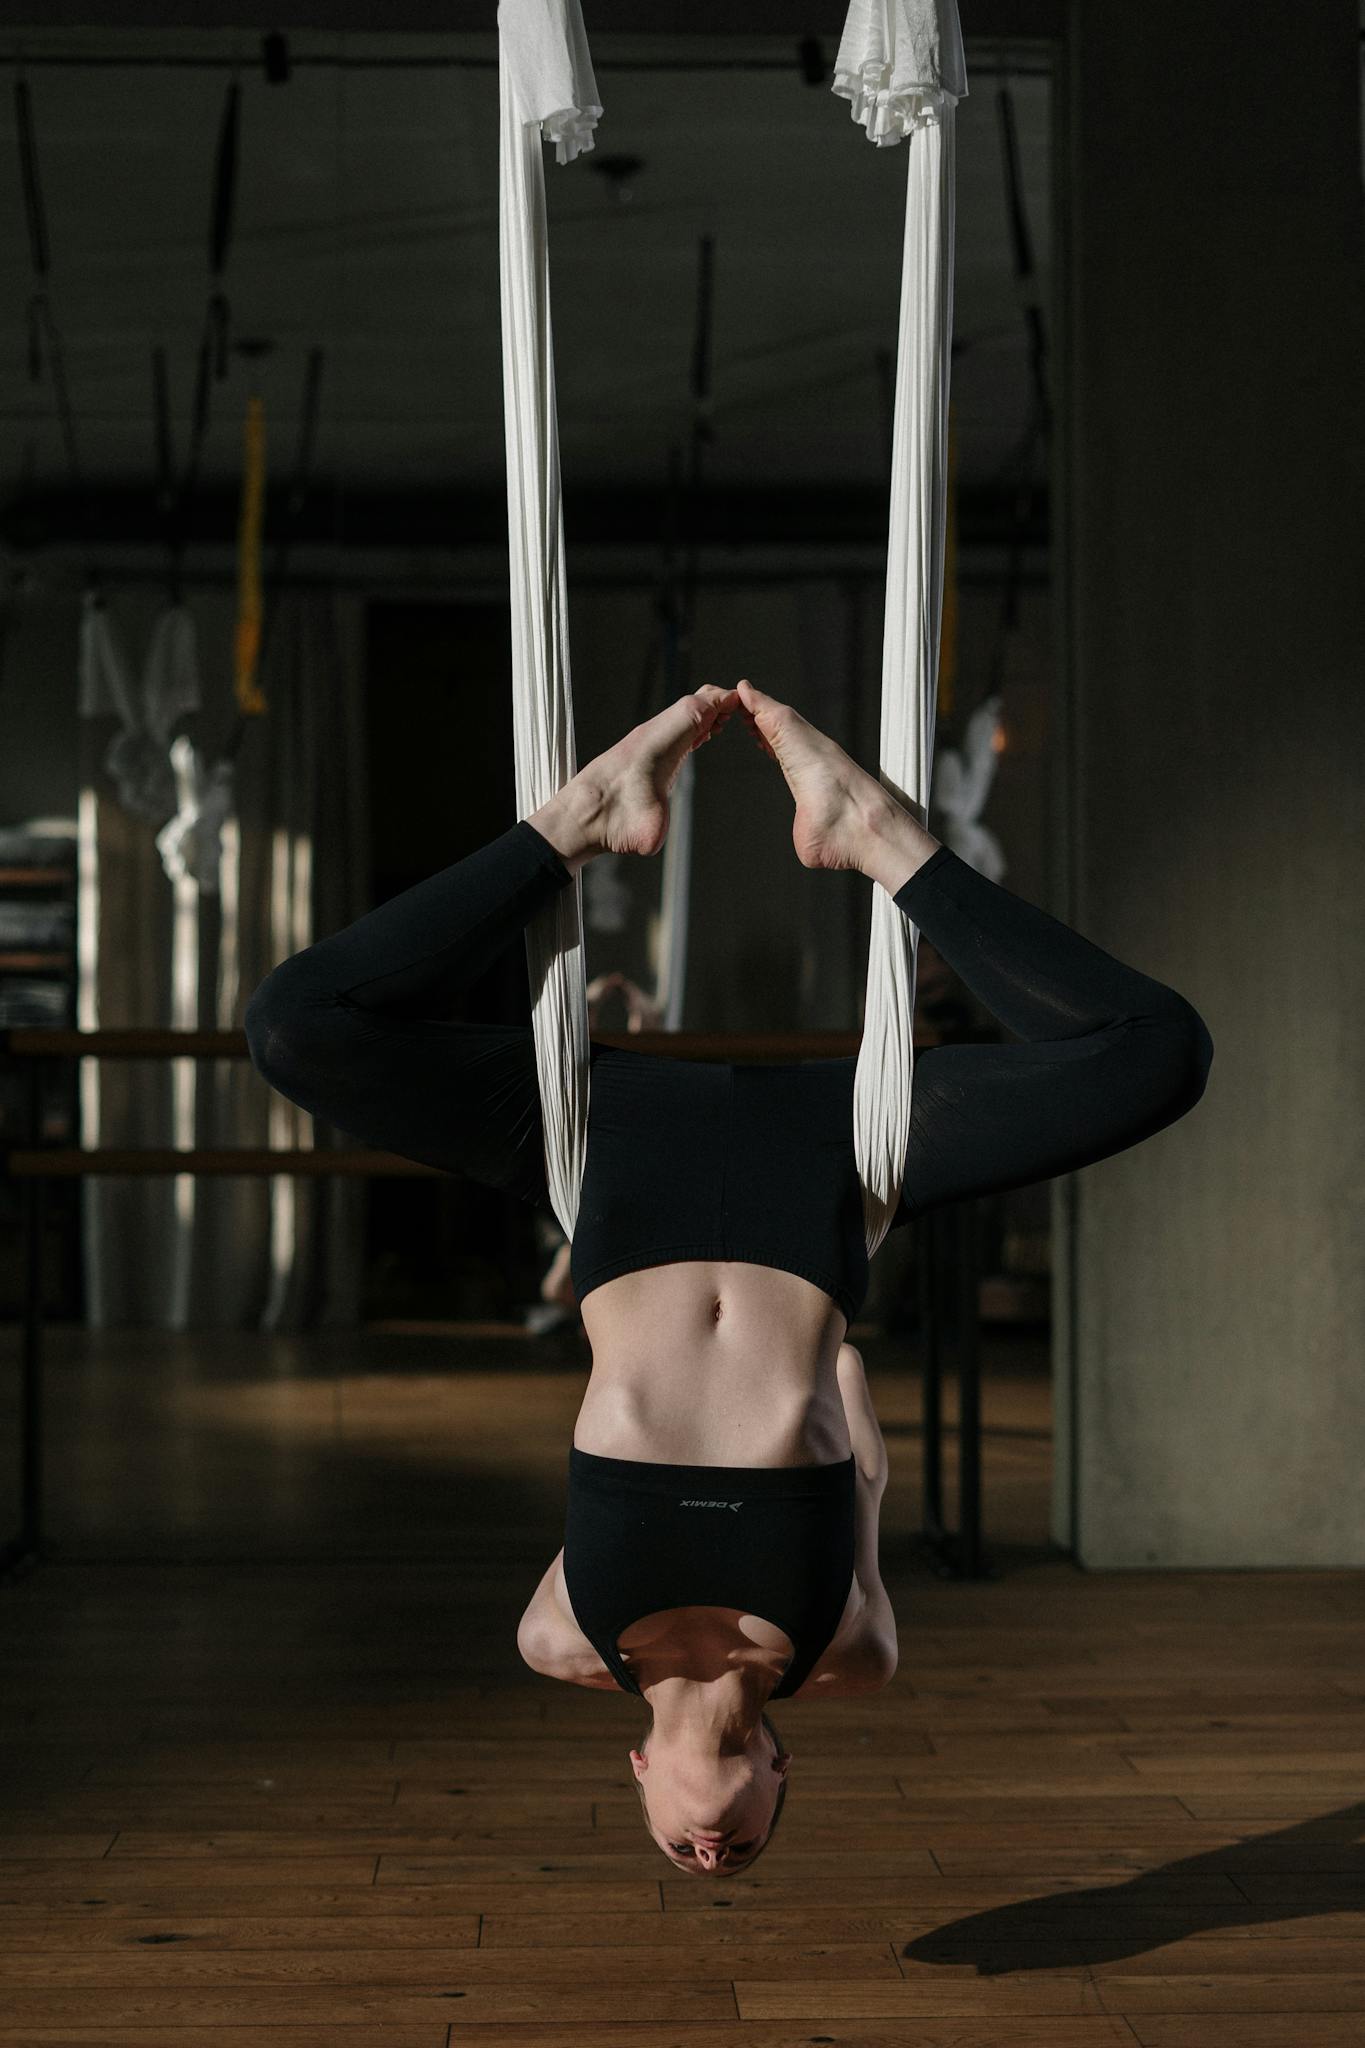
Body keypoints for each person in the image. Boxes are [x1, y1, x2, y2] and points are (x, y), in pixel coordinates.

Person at [245, 678, 1213, 1875]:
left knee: (294, 1025)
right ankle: (884, 840)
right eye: (740, 1853)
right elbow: (861, 1440)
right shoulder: (849, 1654)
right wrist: (818, 1372)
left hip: (609, 1160)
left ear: (640, 1773)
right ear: (779, 1772)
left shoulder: (561, 1637)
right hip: (827, 1172)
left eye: (685, 1856)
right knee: (1158, 1056)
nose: (712, 1854)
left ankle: (577, 821)